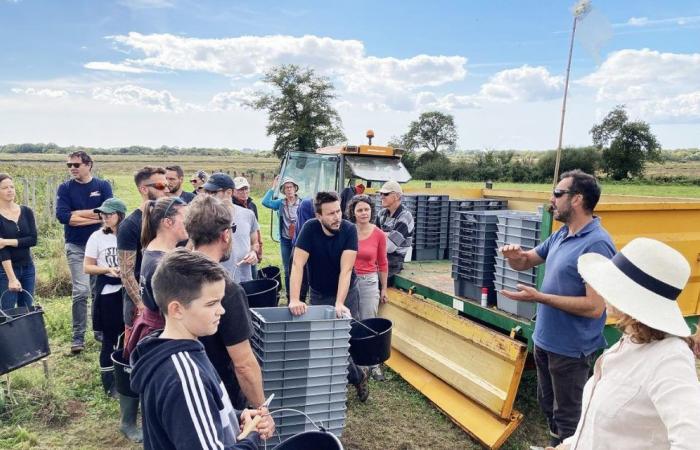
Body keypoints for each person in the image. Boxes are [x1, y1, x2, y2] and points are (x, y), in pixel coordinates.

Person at [544, 237, 700, 450]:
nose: (600, 290)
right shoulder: (631, 340)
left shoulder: (670, 358)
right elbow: (612, 429)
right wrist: (570, 445)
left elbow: (692, 441)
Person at [499, 170, 615, 446]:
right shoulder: (562, 233)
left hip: (570, 349)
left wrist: (540, 297)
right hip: (546, 341)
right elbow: (527, 261)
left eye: (557, 194)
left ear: (577, 199)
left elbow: (594, 307)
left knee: (568, 418)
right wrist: (514, 257)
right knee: (549, 406)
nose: (551, 199)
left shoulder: (596, 243)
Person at [129, 248, 268, 450]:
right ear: (176, 309)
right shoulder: (184, 377)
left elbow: (198, 418)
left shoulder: (179, 348)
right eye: (211, 303)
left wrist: (238, 416)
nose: (221, 310)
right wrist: (252, 438)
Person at [184, 195, 275, 438]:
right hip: (220, 396)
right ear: (226, 234)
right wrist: (262, 411)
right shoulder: (226, 289)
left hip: (183, 388)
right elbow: (243, 364)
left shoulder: (172, 274)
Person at [288, 191, 369, 401]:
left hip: (347, 292)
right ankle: (343, 381)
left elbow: (346, 270)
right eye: (331, 213)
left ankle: (357, 376)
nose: (337, 217)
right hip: (319, 292)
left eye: (339, 211)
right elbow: (297, 264)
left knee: (345, 341)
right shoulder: (309, 229)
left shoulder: (349, 230)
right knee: (323, 343)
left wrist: (340, 303)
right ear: (318, 216)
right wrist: (294, 299)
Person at [116, 167, 169, 444]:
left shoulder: (166, 220)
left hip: (162, 308)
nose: (165, 189)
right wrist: (141, 305)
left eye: (166, 184)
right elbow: (126, 271)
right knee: (132, 362)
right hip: (137, 308)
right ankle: (127, 421)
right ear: (143, 189)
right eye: (158, 185)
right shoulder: (130, 225)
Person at [56, 150, 113, 354]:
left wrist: (79, 214)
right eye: (69, 165)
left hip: (100, 245)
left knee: (99, 290)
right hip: (76, 246)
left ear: (89, 165)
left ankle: (99, 330)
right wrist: (96, 217)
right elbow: (64, 217)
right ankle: (77, 336)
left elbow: (108, 213)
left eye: (76, 165)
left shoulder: (102, 186)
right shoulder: (64, 188)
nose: (72, 168)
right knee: (81, 291)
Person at [124, 196, 188, 358]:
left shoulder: (152, 249)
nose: (190, 222)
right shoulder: (163, 264)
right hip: (164, 337)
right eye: (186, 218)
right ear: (168, 222)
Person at [83, 198, 127, 397]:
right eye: (103, 214)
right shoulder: (97, 236)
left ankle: (127, 377)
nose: (106, 217)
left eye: (110, 214)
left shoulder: (129, 235)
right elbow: (87, 266)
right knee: (110, 338)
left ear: (120, 215)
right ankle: (110, 384)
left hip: (128, 291)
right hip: (108, 291)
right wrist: (107, 268)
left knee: (127, 335)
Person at [346, 194, 389, 381]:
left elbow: (383, 262)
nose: (364, 213)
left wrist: (384, 288)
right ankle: (358, 364)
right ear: (353, 213)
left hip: (369, 281)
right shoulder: (347, 231)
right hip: (349, 281)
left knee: (369, 322)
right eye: (359, 210)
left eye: (366, 209)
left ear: (371, 211)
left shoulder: (378, 233)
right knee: (353, 322)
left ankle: (374, 364)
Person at [203, 173, 259, 283]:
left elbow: (254, 243)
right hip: (214, 281)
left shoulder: (248, 214)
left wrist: (253, 253)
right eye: (207, 192)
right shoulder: (203, 216)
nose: (208, 196)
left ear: (229, 192)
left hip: (244, 280)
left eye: (213, 192)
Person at [0, 173, 37, 309]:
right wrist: (12, 278)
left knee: (26, 311)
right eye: (4, 188)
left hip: (28, 267)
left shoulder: (26, 211)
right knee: (7, 313)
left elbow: (33, 240)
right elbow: (2, 251)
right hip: (5, 271)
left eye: (12, 187)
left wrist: (6, 241)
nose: (10, 190)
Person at [261, 176, 300, 297]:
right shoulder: (281, 203)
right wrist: (274, 187)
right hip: (286, 241)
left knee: (300, 268)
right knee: (288, 270)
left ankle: (300, 294)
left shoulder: (303, 203)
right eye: (286, 188)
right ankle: (290, 295)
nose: (289, 190)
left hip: (299, 242)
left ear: (295, 188)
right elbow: (265, 202)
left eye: (291, 187)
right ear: (283, 190)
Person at [376, 180, 414, 278]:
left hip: (394, 260)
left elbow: (390, 247)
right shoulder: (381, 214)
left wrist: (381, 235)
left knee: (371, 279)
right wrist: (387, 235)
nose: (381, 196)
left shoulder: (405, 216)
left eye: (386, 194)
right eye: (381, 193)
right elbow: (371, 238)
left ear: (397, 196)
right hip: (378, 256)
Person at [232, 176, 262, 278]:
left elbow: (256, 229)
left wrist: (259, 250)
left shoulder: (252, 205)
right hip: (238, 251)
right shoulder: (230, 207)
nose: (244, 192)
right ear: (232, 191)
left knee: (254, 277)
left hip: (252, 248)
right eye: (240, 189)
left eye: (246, 188)